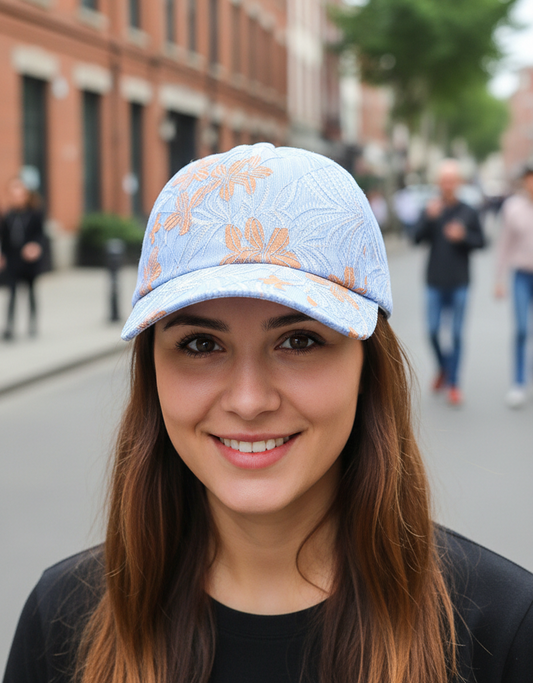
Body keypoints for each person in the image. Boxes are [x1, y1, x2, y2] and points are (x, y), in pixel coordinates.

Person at [4, 144, 533, 683]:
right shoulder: (60, 623)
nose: (250, 400)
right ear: (151, 373)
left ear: (367, 365)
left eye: (300, 340)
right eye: (200, 345)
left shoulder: (503, 633)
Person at [413, 159, 485, 406]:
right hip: (434, 281)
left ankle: (454, 383)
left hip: (460, 282)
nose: (447, 185)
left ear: (459, 183)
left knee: (455, 334)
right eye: (444, 180)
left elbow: (482, 242)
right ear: (438, 183)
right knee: (432, 331)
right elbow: (415, 238)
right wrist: (428, 219)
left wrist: (464, 236)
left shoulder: (468, 211)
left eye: (452, 180)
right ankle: (444, 367)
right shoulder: (432, 208)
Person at [495, 159, 533, 408]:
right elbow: (504, 245)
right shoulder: (513, 207)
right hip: (521, 275)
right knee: (521, 329)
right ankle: (518, 382)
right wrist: (498, 279)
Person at [0, 176, 45, 340]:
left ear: (25, 195)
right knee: (11, 293)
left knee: (31, 291)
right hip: (13, 259)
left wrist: (35, 246)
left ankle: (32, 324)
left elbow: (41, 236)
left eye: (19, 193)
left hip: (29, 260)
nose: (16, 197)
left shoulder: (35, 214)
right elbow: (4, 238)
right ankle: (9, 327)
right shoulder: (8, 216)